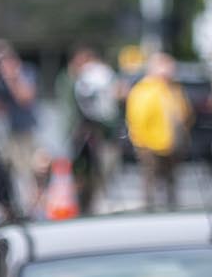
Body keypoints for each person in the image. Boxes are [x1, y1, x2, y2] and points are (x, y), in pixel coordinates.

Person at [125, 52, 192, 210]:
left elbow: (185, 112)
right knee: (150, 184)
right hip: (150, 144)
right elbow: (137, 117)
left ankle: (171, 211)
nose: (170, 70)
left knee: (171, 183)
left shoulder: (173, 88)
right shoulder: (144, 89)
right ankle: (149, 213)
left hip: (172, 144)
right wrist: (141, 141)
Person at [68, 47, 122, 215]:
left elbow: (114, 99)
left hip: (104, 134)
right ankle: (85, 207)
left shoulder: (101, 76)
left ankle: (98, 205)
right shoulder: (79, 79)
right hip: (86, 134)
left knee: (104, 173)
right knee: (84, 175)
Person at [0, 41, 39, 208]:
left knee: (27, 172)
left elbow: (25, 98)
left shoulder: (25, 72)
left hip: (24, 130)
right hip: (6, 132)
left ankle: (31, 208)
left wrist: (12, 78)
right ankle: (10, 207)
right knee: (5, 172)